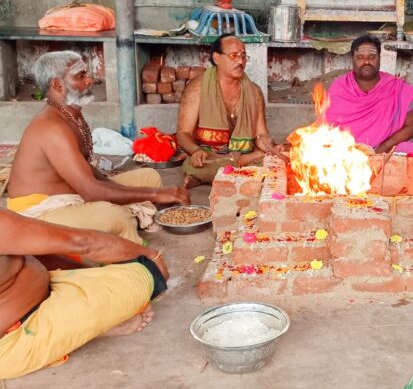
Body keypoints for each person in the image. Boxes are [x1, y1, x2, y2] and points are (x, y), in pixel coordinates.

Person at [7, 51, 189, 245]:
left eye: (87, 74)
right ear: (57, 84)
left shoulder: (71, 116)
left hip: (74, 193)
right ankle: (129, 252)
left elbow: (90, 173)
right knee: (114, 215)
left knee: (148, 177)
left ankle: (122, 225)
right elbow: (90, 191)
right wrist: (155, 194)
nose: (90, 80)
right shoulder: (52, 128)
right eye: (81, 76)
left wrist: (127, 192)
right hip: (41, 212)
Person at [0, 207, 169, 379]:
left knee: (107, 277)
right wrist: (152, 256)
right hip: (15, 340)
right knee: (138, 279)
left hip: (45, 292)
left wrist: (92, 277)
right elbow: (82, 242)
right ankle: (96, 327)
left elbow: (38, 252)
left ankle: (88, 324)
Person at [177, 33, 276, 186]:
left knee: (275, 159)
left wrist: (271, 147)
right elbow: (183, 134)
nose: (240, 61)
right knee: (196, 164)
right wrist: (196, 151)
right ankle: (233, 173)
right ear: (217, 58)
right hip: (210, 157)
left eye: (243, 56)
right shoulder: (197, 87)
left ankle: (214, 177)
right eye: (233, 56)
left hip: (245, 155)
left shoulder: (254, 91)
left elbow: (261, 134)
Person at [324, 35, 413, 161]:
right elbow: (328, 129)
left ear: (379, 59)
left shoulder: (395, 87)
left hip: (383, 153)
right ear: (352, 60)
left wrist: (383, 147)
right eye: (360, 58)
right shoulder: (339, 87)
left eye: (372, 57)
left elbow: (410, 127)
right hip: (347, 156)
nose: (366, 62)